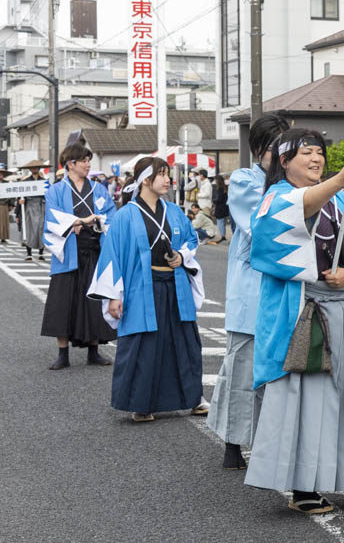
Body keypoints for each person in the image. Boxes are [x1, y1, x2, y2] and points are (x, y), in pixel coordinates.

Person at [243, 128, 344, 515]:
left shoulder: (343, 199)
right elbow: (284, 224)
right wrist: (337, 182)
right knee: (307, 402)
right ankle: (305, 487)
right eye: (305, 153)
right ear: (284, 163)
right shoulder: (275, 200)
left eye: (319, 153)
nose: (315, 159)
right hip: (305, 314)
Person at [88, 156, 207, 422]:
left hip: (175, 286)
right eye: (162, 174)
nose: (168, 180)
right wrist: (112, 296)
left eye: (168, 174)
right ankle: (141, 403)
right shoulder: (125, 216)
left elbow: (190, 239)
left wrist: (182, 256)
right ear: (145, 179)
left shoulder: (174, 211)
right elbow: (112, 256)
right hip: (141, 288)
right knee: (144, 345)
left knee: (185, 341)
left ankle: (194, 398)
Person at [208, 112, 290, 470]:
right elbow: (263, 227)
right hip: (251, 295)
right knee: (242, 371)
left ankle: (273, 442)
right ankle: (232, 443)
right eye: (274, 148)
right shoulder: (245, 180)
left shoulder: (290, 184)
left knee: (280, 371)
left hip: (283, 293)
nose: (280, 155)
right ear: (258, 149)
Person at [41, 143, 117, 370]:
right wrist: (78, 221)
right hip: (68, 252)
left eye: (88, 160)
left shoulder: (99, 189)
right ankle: (62, 353)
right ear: (71, 164)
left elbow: (109, 214)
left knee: (94, 301)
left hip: (94, 249)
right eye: (84, 160)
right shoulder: (56, 190)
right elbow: (53, 219)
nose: (88, 165)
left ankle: (94, 350)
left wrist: (96, 221)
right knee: (64, 301)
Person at [19, 173, 47, 261]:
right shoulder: (26, 181)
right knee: (29, 230)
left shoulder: (44, 181)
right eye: (33, 168)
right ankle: (29, 254)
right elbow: (21, 195)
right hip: (29, 207)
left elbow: (48, 194)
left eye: (36, 168)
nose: (34, 169)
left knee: (41, 229)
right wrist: (21, 201)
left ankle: (41, 253)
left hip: (41, 206)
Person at [211, 173, 230, 241]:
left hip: (220, 207)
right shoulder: (225, 187)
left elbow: (219, 199)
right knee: (223, 222)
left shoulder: (220, 188)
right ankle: (223, 235)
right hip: (225, 207)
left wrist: (214, 201)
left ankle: (222, 236)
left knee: (220, 222)